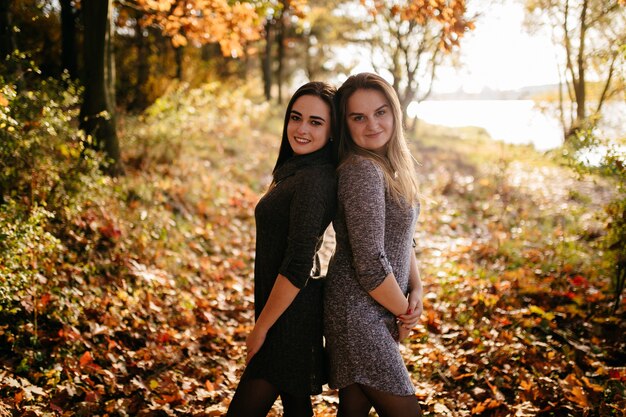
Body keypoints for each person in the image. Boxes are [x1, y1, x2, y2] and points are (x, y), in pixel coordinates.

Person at [226, 81, 337, 417]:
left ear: (332, 131)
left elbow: (298, 262)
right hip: (285, 315)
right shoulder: (297, 170)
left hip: (288, 322)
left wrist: (261, 328)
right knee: (296, 407)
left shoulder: (315, 180)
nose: (301, 129)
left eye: (316, 122)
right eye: (295, 117)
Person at [324, 72, 424, 417]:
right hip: (357, 313)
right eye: (358, 117)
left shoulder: (387, 167)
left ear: (395, 112)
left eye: (381, 112)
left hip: (377, 307)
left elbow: (401, 237)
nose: (373, 125)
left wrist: (417, 287)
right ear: (345, 124)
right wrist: (404, 311)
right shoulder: (361, 171)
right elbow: (369, 263)